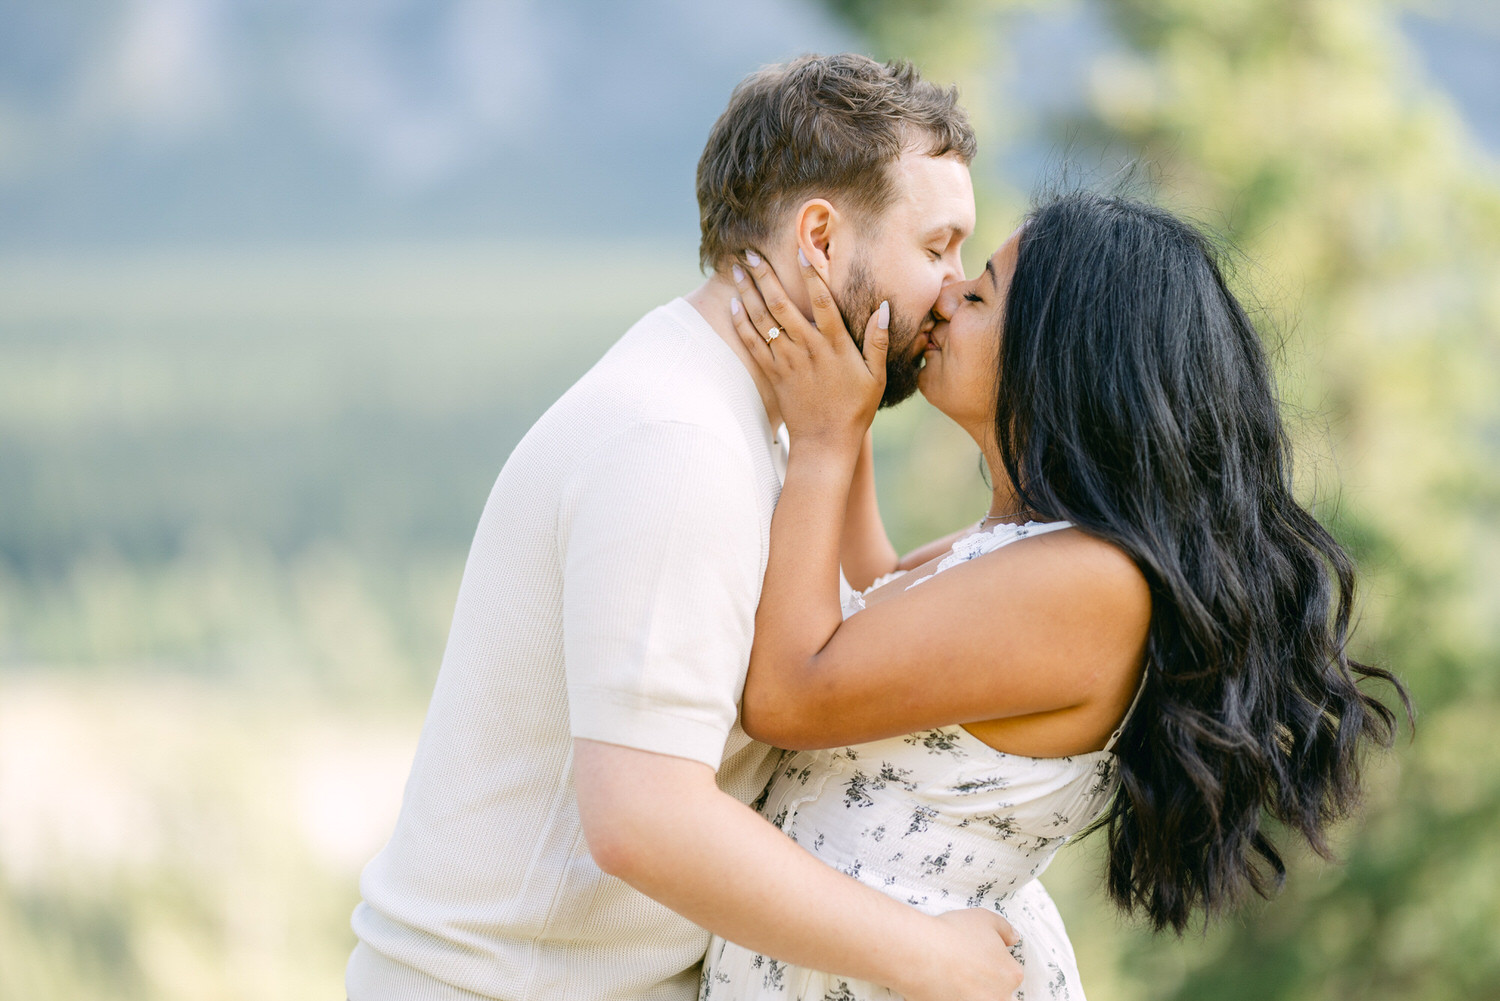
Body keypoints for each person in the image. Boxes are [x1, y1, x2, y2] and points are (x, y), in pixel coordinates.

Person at [346, 54, 1029, 1001]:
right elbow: (643, 816)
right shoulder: (679, 442)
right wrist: (925, 954)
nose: (952, 291)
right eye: (937, 246)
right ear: (821, 239)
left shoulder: (739, 421)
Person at [703, 191, 1411, 1000]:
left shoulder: (1088, 581)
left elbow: (792, 692)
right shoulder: (1022, 548)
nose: (945, 295)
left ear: (1062, 356)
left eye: (979, 295)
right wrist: (847, 413)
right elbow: (871, 612)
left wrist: (824, 441)